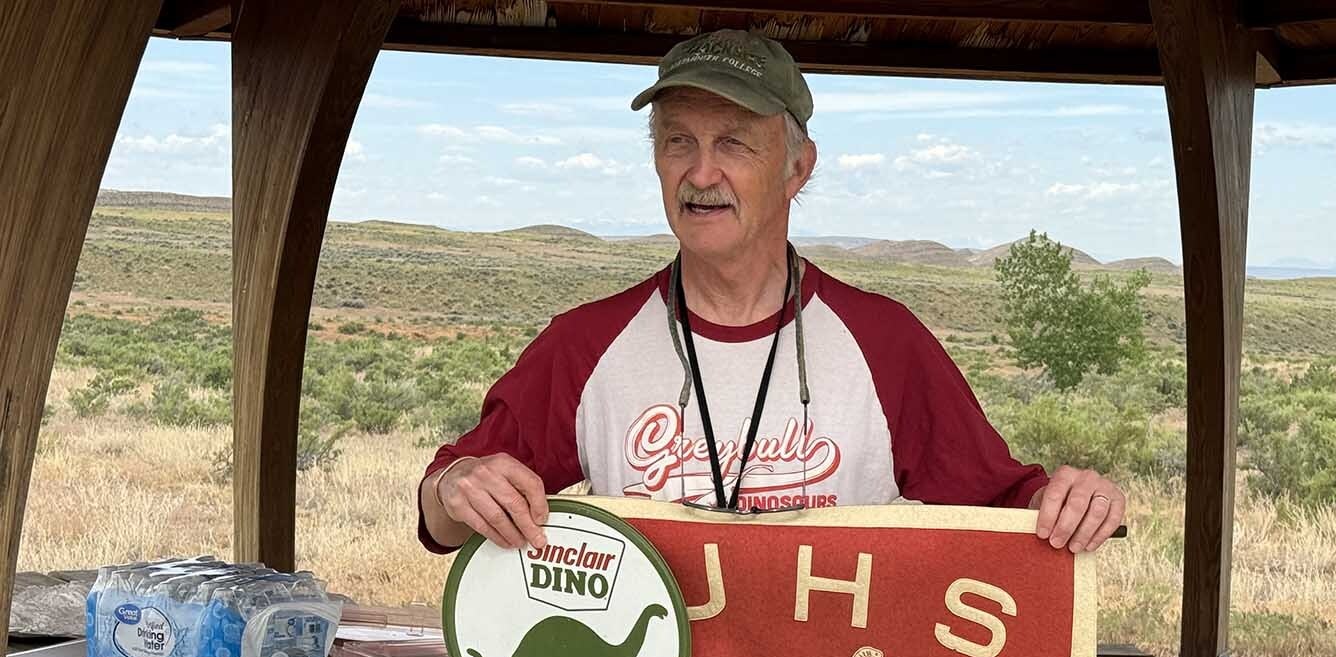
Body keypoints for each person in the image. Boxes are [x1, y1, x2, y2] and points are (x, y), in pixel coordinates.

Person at [417, 29, 1125, 557]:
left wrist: (1069, 501)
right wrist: (458, 487)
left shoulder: (884, 342)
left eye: (733, 143)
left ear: (796, 168)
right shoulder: (585, 343)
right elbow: (446, 511)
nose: (700, 173)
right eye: (677, 142)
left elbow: (1001, 503)